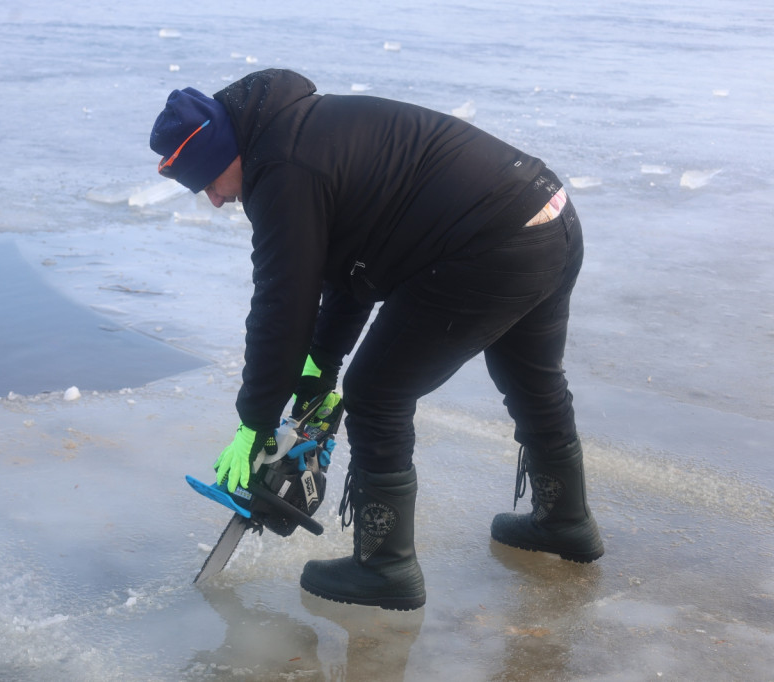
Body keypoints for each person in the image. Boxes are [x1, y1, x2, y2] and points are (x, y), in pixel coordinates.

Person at [149, 69, 604, 611]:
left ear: (227, 154)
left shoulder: (283, 170)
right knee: (530, 376)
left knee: (376, 392)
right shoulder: (300, 132)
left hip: (492, 242)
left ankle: (385, 566)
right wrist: (319, 368)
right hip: (547, 215)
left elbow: (282, 303)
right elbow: (355, 268)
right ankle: (564, 521)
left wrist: (255, 421)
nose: (215, 200)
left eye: (208, 182)